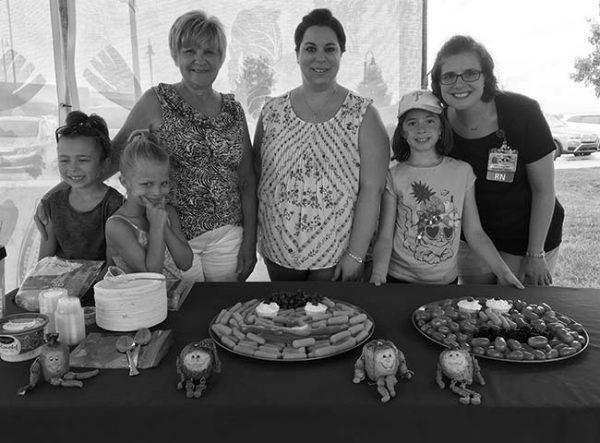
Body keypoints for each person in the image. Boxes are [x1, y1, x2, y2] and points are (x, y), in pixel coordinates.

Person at [37, 10, 257, 282]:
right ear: (176, 54)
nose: (199, 59)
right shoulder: (156, 101)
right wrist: (52, 197)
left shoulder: (234, 110)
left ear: (221, 57)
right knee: (188, 313)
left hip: (228, 237)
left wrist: (250, 242)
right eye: (190, 50)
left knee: (223, 311)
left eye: (210, 52)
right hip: (172, 234)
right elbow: (112, 159)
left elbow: (247, 181)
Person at [253, 8, 389, 282]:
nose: (320, 58)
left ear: (341, 54)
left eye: (330, 49)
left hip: (335, 257)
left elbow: (372, 191)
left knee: (329, 323)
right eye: (310, 48)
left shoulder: (364, 115)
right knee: (283, 322)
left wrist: (355, 255)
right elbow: (259, 177)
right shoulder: (271, 111)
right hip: (277, 250)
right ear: (297, 54)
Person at [430, 35, 564, 286]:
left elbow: (543, 190)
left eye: (470, 73)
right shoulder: (437, 124)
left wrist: (535, 253)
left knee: (518, 314)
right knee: (475, 312)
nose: (459, 83)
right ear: (438, 83)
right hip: (474, 240)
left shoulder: (522, 112)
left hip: (529, 238)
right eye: (448, 76)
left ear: (486, 76)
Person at [369, 90, 523, 288]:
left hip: (446, 282)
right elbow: (385, 235)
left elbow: (474, 231)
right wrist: (378, 273)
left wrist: (503, 271)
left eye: (430, 121)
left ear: (441, 127)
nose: (421, 129)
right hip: (398, 280)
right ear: (403, 132)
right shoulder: (394, 175)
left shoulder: (463, 172)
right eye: (412, 123)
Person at [105, 130, 192, 278]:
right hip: (136, 299)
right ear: (124, 182)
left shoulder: (168, 213)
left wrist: (164, 226)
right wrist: (157, 226)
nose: (157, 192)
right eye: (147, 184)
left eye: (164, 183)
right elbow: (151, 276)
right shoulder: (117, 226)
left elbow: (186, 263)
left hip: (172, 296)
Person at [38, 111, 123, 261]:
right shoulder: (53, 204)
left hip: (103, 283)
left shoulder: (116, 205)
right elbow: (44, 261)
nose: (73, 168)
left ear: (105, 164)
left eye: (83, 160)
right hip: (61, 283)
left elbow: (114, 264)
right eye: (64, 160)